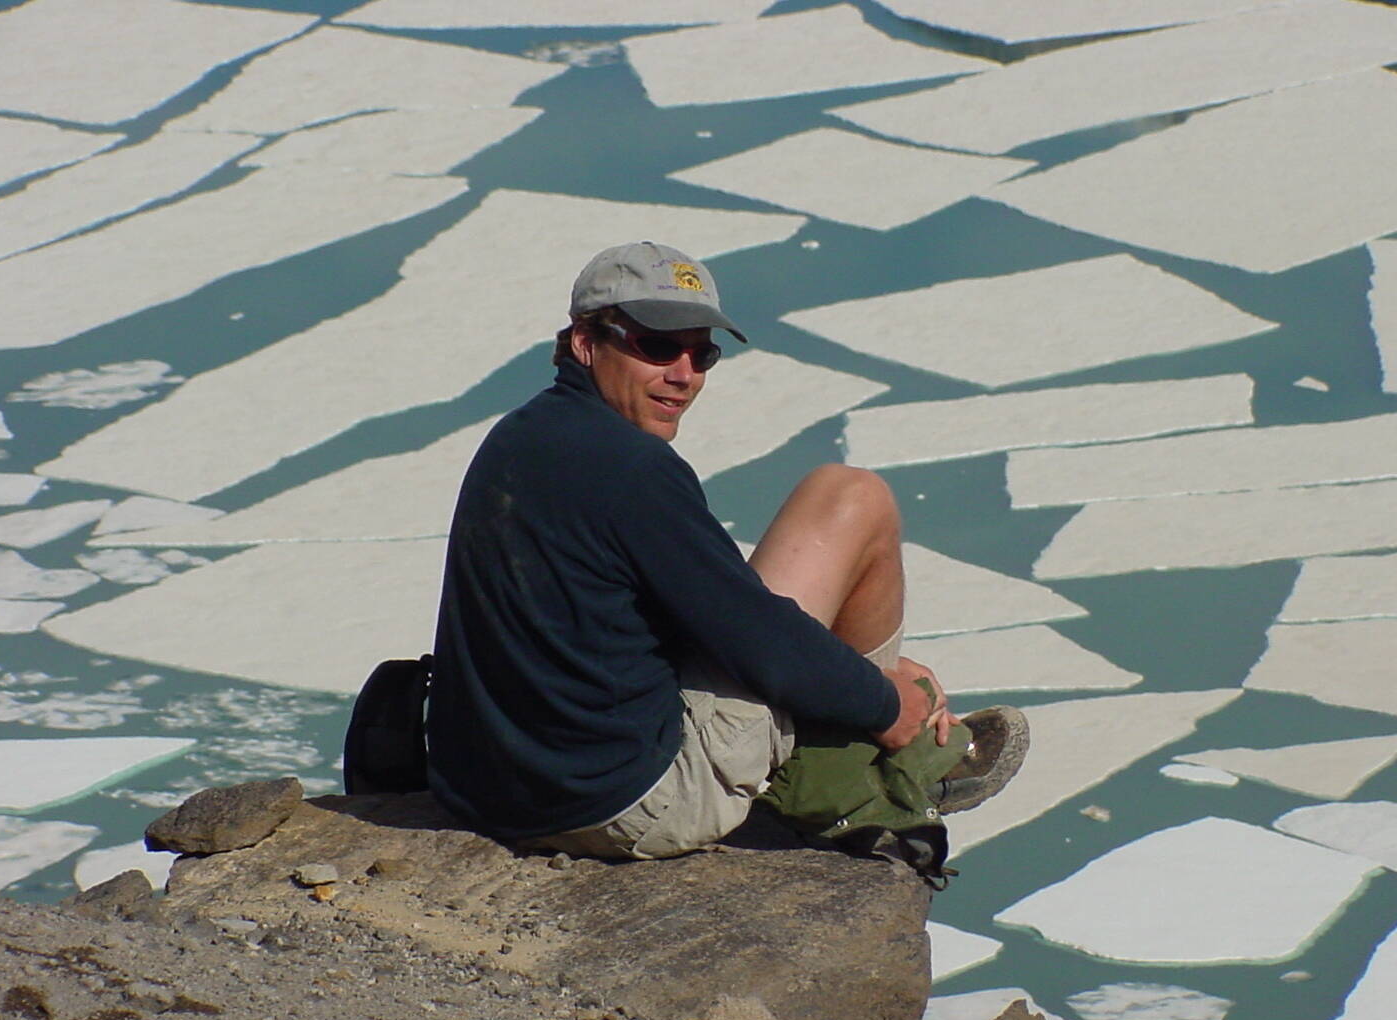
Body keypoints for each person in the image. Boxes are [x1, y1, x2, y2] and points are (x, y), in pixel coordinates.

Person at [426, 240, 1026, 862]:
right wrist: (885, 700)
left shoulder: (520, 437)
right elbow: (753, 637)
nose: (683, 374)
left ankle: (850, 729)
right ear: (585, 343)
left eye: (701, 352)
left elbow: (682, 617)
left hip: (490, 793)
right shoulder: (631, 470)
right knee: (853, 498)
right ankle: (867, 764)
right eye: (657, 347)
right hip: (626, 804)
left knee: (800, 626)